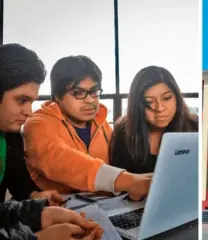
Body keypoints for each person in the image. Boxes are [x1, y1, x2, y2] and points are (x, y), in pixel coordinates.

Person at [0, 43, 103, 239]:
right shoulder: (37, 124)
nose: (28, 112)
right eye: (21, 100)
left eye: (31, 102)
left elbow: (17, 182)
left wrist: (37, 203)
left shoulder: (11, 135)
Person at [24, 55, 152, 201]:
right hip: (59, 213)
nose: (90, 100)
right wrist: (128, 181)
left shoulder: (103, 124)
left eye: (94, 91)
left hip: (108, 207)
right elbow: (62, 160)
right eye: (78, 93)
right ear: (58, 96)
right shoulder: (37, 124)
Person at [110, 66, 198, 174]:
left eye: (167, 98)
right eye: (149, 102)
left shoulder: (195, 127)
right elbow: (119, 184)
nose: (160, 108)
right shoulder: (123, 132)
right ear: (137, 106)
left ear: (177, 98)